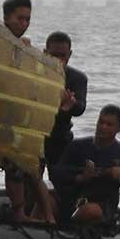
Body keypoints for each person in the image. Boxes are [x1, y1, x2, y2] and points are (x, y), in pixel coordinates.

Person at [51, 104, 120, 227]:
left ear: (119, 128)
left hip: (101, 204)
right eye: (101, 122)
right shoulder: (77, 146)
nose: (103, 127)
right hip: (71, 197)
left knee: (91, 211)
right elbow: (56, 173)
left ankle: (65, 228)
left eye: (109, 124)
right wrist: (80, 177)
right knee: (47, 198)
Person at [43, 31, 89, 165]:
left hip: (60, 136)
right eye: (54, 55)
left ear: (69, 55)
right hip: (35, 135)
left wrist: (70, 104)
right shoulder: (36, 73)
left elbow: (80, 108)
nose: (58, 60)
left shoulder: (77, 78)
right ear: (45, 53)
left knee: (62, 177)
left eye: (62, 56)